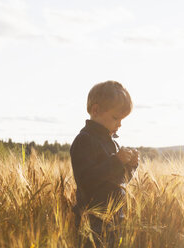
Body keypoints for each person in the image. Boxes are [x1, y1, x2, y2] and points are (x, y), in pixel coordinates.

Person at [70, 80, 139, 247]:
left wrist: (131, 166)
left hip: (115, 220)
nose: (120, 123)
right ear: (96, 110)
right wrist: (117, 161)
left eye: (122, 119)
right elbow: (86, 180)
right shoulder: (84, 140)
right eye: (115, 117)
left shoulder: (113, 143)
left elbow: (119, 183)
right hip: (92, 225)